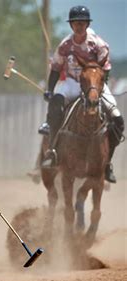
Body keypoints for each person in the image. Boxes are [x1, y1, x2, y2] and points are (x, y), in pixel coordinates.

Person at [40, 5, 124, 183]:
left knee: (117, 119)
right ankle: (53, 151)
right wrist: (50, 90)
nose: (79, 26)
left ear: (87, 24)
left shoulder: (99, 44)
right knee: (56, 104)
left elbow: (105, 69)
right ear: (71, 25)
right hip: (71, 82)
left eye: (82, 22)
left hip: (94, 84)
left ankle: (107, 163)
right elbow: (55, 69)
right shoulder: (65, 45)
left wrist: (97, 88)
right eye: (75, 23)